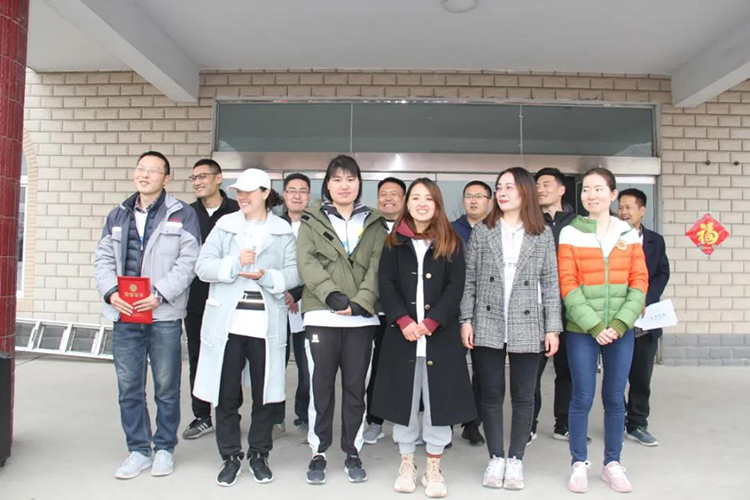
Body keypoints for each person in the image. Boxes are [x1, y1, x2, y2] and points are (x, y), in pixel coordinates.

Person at [94, 151, 200, 479]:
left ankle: (164, 448)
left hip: (163, 314)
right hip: (125, 313)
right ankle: (139, 450)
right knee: (128, 386)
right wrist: (111, 293)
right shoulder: (118, 214)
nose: (144, 175)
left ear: (166, 178)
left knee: (166, 385)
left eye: (153, 171)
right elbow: (103, 259)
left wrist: (159, 294)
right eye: (141, 169)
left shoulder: (181, 214)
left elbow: (189, 261)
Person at [192, 168, 301, 487]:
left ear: (265, 193)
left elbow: (295, 273)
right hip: (228, 325)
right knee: (226, 394)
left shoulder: (282, 230)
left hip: (265, 325)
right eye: (239, 191)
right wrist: (234, 264)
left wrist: (267, 276)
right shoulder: (225, 225)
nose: (242, 197)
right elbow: (202, 266)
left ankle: (259, 453)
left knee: (265, 394)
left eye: (249, 192)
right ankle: (230, 455)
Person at [459, 167, 562, 490]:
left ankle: (515, 458)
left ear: (525, 192)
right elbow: (470, 280)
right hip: (487, 320)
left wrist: (553, 328)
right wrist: (466, 319)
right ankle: (496, 457)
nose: (502, 193)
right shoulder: (483, 231)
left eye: (509, 187)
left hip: (528, 322)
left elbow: (551, 283)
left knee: (523, 395)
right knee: (490, 394)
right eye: (499, 187)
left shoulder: (541, 233)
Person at [373, 178, 474, 498]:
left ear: (437, 204)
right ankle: (407, 463)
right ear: (408, 203)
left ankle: (433, 466)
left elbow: (456, 287)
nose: (421, 203)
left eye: (428, 198)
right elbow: (386, 283)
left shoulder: (452, 241)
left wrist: (432, 321)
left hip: (439, 337)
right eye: (415, 197)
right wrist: (403, 320)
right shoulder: (394, 241)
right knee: (403, 400)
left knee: (438, 402)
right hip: (402, 335)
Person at [296, 155, 387, 484]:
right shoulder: (311, 219)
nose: (344, 185)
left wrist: (362, 302)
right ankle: (318, 451)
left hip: (361, 320)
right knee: (320, 387)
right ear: (327, 185)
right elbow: (306, 262)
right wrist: (331, 295)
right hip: (322, 314)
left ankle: (352, 450)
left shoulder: (375, 222)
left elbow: (378, 265)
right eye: (337, 179)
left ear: (359, 184)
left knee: (355, 388)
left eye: (350, 179)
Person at [559, 167, 648, 494]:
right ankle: (578, 463)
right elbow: (568, 284)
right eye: (586, 189)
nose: (591, 195)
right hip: (582, 329)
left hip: (620, 330)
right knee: (581, 396)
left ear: (612, 195)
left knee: (614, 396)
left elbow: (639, 281)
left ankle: (612, 463)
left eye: (599, 189)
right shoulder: (570, 232)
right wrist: (595, 325)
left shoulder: (628, 233)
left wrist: (620, 323)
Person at [183, 159, 239, 440]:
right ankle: (202, 415)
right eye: (194, 178)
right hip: (196, 298)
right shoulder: (186, 214)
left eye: (203, 176)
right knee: (198, 356)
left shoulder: (237, 211)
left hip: (230, 297)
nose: (197, 182)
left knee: (232, 358)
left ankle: (230, 414)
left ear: (219, 178)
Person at [618, 188, 670, 447]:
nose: (623, 212)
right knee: (616, 378)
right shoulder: (610, 237)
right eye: (620, 207)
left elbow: (662, 272)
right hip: (616, 317)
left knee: (641, 378)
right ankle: (616, 421)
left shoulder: (655, 241)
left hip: (645, 320)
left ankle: (637, 424)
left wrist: (645, 298)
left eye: (629, 207)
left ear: (642, 210)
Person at [530, 167, 577, 442]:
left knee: (567, 370)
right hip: (536, 308)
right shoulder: (529, 222)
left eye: (546, 184)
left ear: (561, 189)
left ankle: (564, 422)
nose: (540, 189)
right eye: (537, 185)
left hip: (571, 307)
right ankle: (529, 423)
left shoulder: (578, 224)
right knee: (531, 372)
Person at [363, 176, 406, 445]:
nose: (388, 199)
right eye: (383, 194)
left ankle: (408, 422)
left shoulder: (414, 226)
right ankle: (374, 421)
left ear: (404, 199)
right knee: (375, 368)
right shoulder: (368, 225)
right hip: (374, 310)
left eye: (394, 194)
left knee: (406, 368)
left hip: (405, 312)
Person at [451, 180, 493, 447]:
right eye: (469, 196)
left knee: (483, 372)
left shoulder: (497, 230)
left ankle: (472, 424)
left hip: (486, 312)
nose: (474, 200)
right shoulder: (449, 230)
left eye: (479, 196)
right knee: (451, 369)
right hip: (453, 311)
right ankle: (446, 423)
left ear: (490, 201)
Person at [272, 172, 313, 443]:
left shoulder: (316, 225)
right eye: (292, 190)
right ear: (284, 195)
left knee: (306, 366)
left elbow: (318, 266)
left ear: (309, 196)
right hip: (276, 302)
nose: (297, 195)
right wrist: (282, 291)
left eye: (303, 190)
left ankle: (304, 417)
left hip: (305, 304)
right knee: (274, 364)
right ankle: (275, 419)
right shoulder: (273, 225)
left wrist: (297, 294)